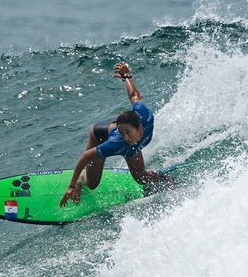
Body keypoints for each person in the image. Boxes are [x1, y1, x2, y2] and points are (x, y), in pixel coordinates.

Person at [60, 61, 169, 207]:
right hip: (100, 134)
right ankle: (81, 180)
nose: (126, 138)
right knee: (92, 184)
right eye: (123, 134)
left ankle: (164, 177)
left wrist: (127, 76)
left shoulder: (145, 116)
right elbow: (85, 156)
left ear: (141, 127)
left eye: (129, 133)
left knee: (141, 177)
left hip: (121, 123)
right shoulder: (117, 143)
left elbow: (134, 95)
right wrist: (71, 186)